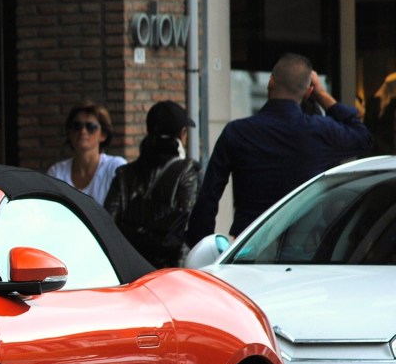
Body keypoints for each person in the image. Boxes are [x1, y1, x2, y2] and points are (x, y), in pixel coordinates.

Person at [185, 53, 373, 244]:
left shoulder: (237, 132)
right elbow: (362, 137)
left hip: (249, 246)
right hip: (304, 248)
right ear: (309, 92)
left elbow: (209, 196)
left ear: (271, 82)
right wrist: (321, 93)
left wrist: (200, 244)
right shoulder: (319, 131)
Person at [104, 100, 201, 268]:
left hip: (128, 270)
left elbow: (107, 224)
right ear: (182, 134)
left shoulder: (124, 174)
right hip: (166, 275)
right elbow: (189, 227)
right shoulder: (187, 172)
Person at [46, 103, 126, 205]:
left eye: (91, 127)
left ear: (103, 135)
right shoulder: (57, 172)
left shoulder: (115, 167)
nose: (82, 131)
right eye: (76, 126)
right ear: (69, 133)